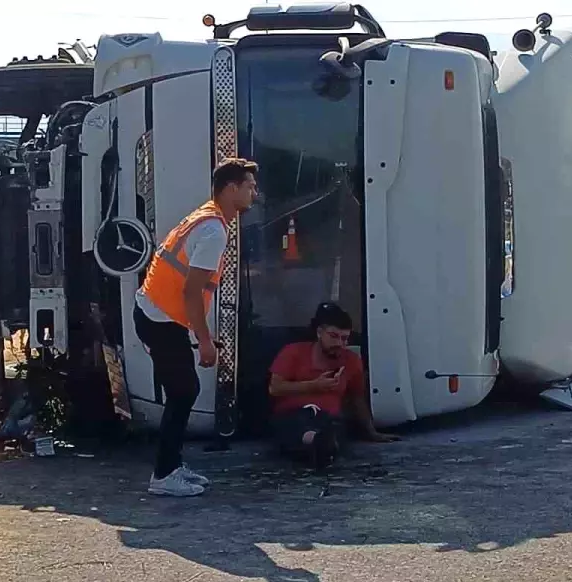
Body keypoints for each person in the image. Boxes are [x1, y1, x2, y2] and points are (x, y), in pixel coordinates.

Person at [133, 157, 259, 497]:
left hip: (156, 313)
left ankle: (171, 466)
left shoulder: (208, 217)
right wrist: (204, 341)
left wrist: (199, 333)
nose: (254, 193)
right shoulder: (213, 229)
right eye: (249, 187)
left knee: (182, 390)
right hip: (161, 319)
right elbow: (191, 290)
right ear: (231, 189)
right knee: (184, 391)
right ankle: (163, 475)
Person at [267, 302, 399, 470]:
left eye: (344, 338)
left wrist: (371, 431)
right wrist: (313, 386)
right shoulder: (294, 352)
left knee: (331, 426)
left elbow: (357, 398)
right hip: (292, 414)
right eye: (334, 336)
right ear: (319, 332)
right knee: (298, 425)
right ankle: (315, 443)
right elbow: (275, 388)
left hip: (329, 417)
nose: (340, 343)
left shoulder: (351, 360)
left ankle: (321, 445)